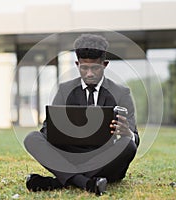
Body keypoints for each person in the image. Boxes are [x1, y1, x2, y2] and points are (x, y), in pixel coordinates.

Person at [24, 34, 140, 196]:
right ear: (77, 64)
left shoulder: (121, 93)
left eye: (95, 68)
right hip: (69, 156)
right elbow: (46, 130)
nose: (89, 73)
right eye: (84, 68)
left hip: (103, 159)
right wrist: (57, 128)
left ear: (105, 65)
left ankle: (58, 181)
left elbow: (135, 137)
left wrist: (128, 133)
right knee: (32, 138)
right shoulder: (64, 90)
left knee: (128, 145)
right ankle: (85, 182)